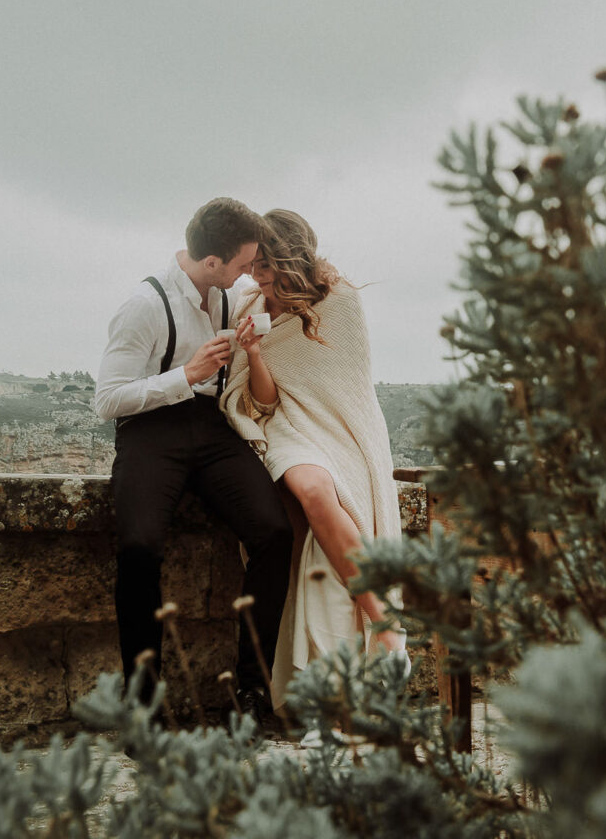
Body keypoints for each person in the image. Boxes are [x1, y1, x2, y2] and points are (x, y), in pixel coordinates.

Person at [93, 197, 293, 721]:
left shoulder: (229, 297)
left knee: (274, 532)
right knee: (138, 547)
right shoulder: (145, 304)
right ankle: (142, 706)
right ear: (212, 263)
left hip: (212, 428)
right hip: (150, 432)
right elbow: (107, 399)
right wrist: (185, 375)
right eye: (244, 264)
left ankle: (251, 694)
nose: (250, 273)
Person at [220, 208, 406, 714]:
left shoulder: (339, 301)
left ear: (286, 257)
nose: (254, 273)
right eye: (252, 264)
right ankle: (383, 619)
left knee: (332, 504)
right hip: (285, 428)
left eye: (262, 263)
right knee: (314, 491)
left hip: (339, 427)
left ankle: (383, 631)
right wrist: (254, 353)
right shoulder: (249, 306)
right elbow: (263, 402)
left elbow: (348, 387)